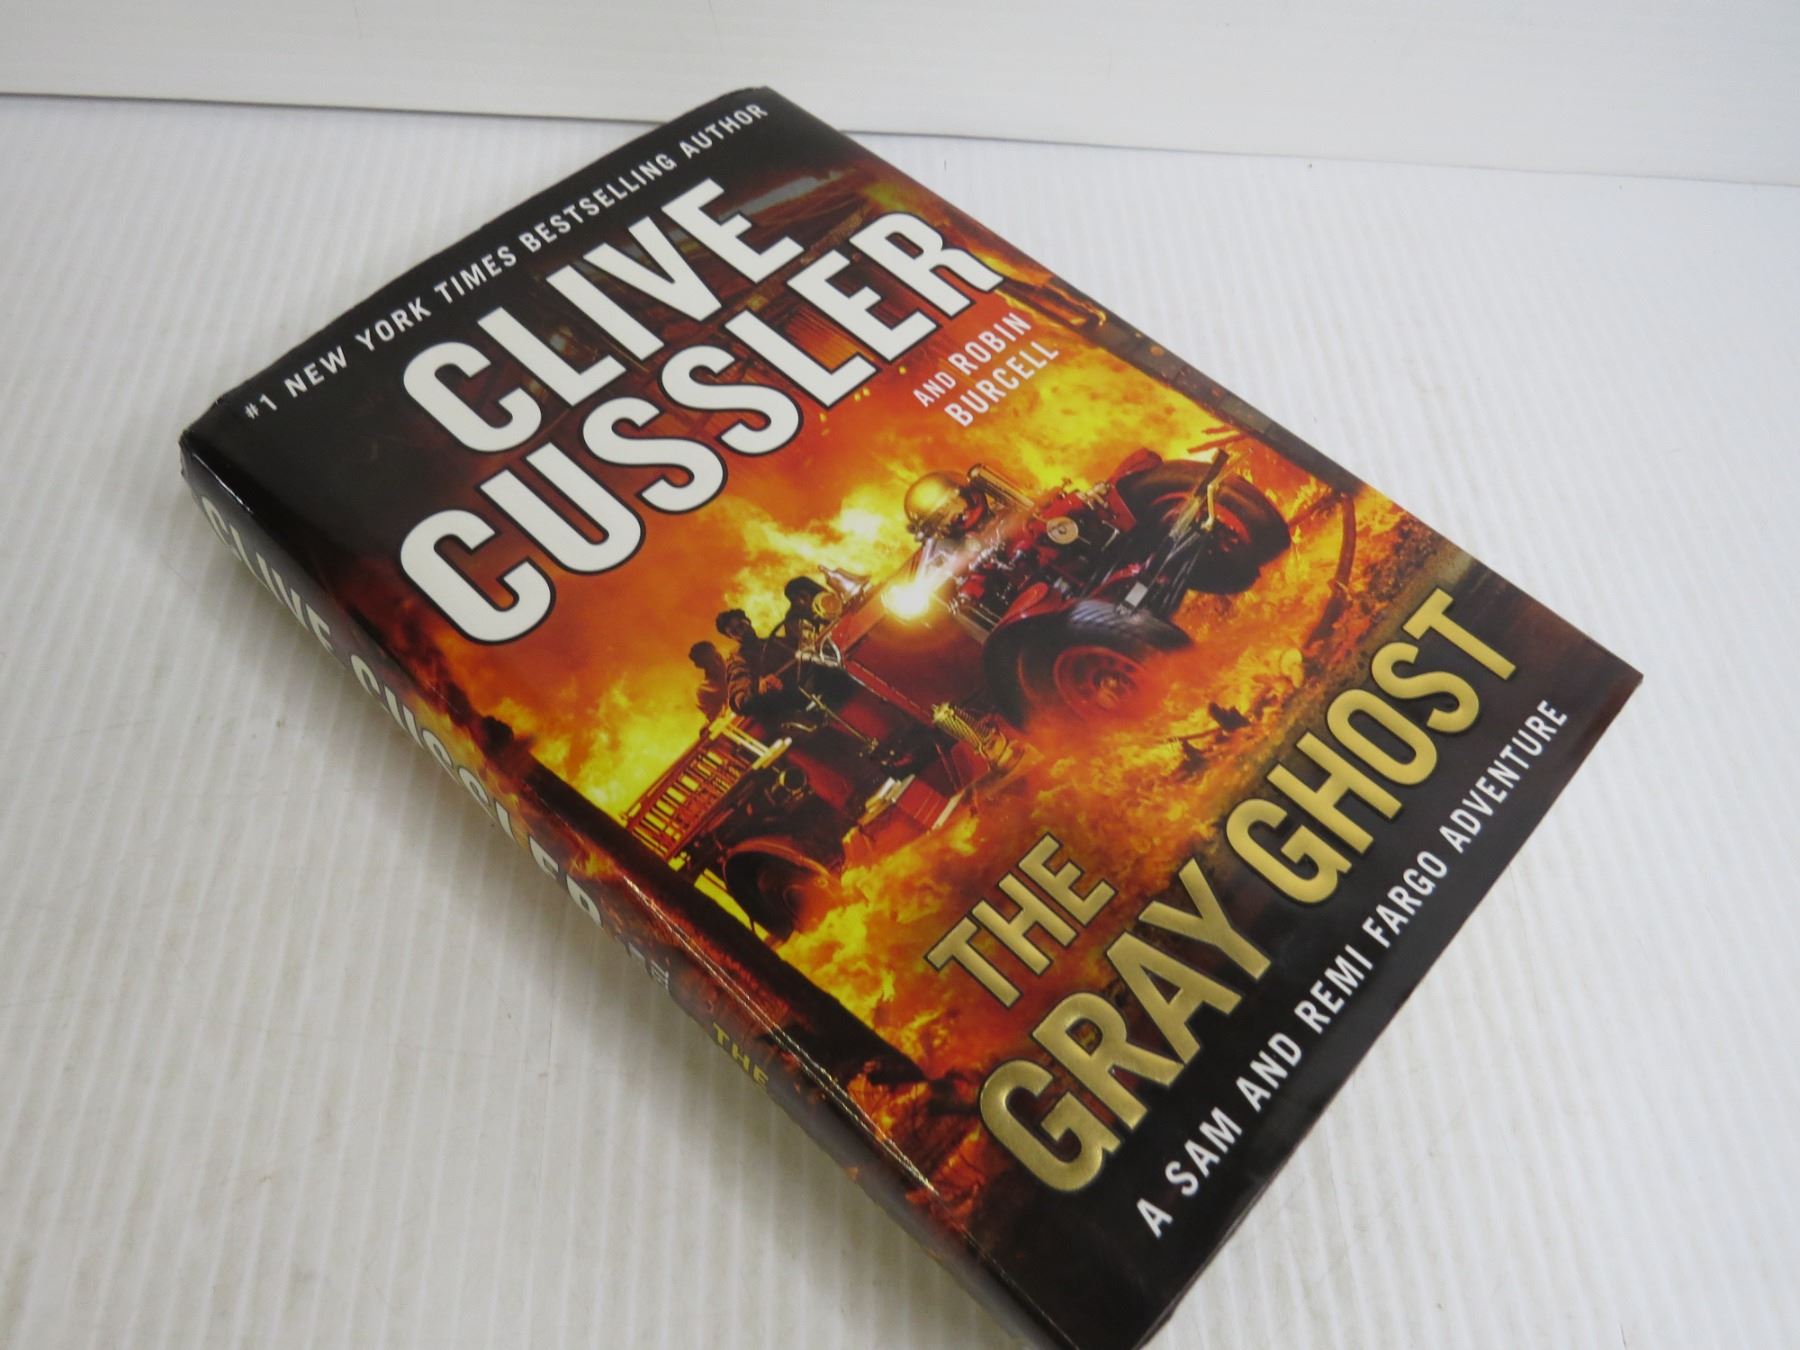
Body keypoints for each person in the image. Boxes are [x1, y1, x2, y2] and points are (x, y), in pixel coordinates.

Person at [715, 608, 786, 713]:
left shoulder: (773, 642)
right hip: (780, 707)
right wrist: (758, 688)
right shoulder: (737, 661)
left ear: (748, 621)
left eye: (741, 626)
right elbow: (739, 696)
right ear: (730, 637)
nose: (741, 633)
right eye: (734, 632)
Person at [688, 640, 728, 722]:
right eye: (710, 662)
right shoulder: (703, 692)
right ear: (700, 666)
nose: (717, 663)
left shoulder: (738, 662)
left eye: (717, 657)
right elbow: (717, 719)